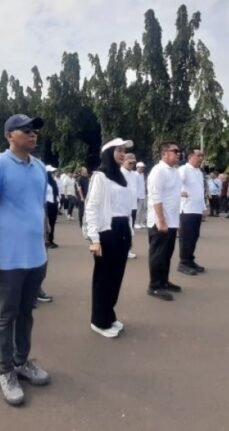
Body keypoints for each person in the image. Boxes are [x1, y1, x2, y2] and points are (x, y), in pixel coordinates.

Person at [0, 113, 51, 406]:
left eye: (34, 130)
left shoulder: (38, 167)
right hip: (8, 258)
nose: (32, 134)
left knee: (26, 313)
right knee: (5, 317)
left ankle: (22, 362)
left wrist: (45, 236)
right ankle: (5, 370)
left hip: (36, 256)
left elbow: (38, 207)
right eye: (26, 130)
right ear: (10, 135)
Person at [84, 138, 133, 338]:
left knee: (116, 277)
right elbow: (92, 207)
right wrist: (94, 239)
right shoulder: (100, 177)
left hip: (122, 229)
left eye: (124, 151)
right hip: (107, 231)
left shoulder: (122, 177)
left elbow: (126, 209)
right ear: (108, 153)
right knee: (103, 278)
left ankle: (109, 315)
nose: (122, 154)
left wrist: (129, 233)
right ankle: (99, 320)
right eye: (118, 150)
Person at [146, 141, 182, 301]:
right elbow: (156, 198)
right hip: (160, 222)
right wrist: (161, 221)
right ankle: (154, 286)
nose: (178, 153)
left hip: (172, 220)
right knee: (158, 255)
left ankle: (164, 282)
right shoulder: (158, 171)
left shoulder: (174, 171)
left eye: (178, 151)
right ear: (165, 154)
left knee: (167, 254)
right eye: (175, 151)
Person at [178, 149, 207, 276]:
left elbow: (200, 190)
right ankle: (183, 263)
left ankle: (190, 260)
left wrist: (203, 207)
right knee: (186, 238)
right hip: (187, 209)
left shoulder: (199, 172)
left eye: (202, 156)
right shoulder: (184, 169)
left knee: (194, 237)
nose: (201, 158)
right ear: (190, 156)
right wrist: (180, 192)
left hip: (196, 209)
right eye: (198, 155)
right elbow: (175, 184)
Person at [121, 153, 139, 259]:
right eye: (130, 162)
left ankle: (127, 250)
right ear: (124, 161)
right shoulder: (120, 173)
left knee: (130, 230)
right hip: (123, 207)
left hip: (133, 206)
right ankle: (121, 250)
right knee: (123, 230)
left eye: (133, 162)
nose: (132, 164)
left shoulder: (134, 174)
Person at [44, 165, 60, 249]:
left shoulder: (54, 182)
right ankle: (46, 241)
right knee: (46, 224)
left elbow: (57, 192)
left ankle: (51, 239)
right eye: (51, 172)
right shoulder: (44, 182)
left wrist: (58, 201)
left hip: (54, 203)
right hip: (47, 204)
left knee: (52, 223)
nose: (53, 174)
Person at [135, 162, 147, 227]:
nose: (142, 169)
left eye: (143, 167)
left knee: (143, 209)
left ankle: (142, 222)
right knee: (138, 210)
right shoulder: (135, 174)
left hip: (143, 195)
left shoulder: (142, 174)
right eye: (141, 167)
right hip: (137, 195)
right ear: (137, 167)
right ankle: (136, 223)